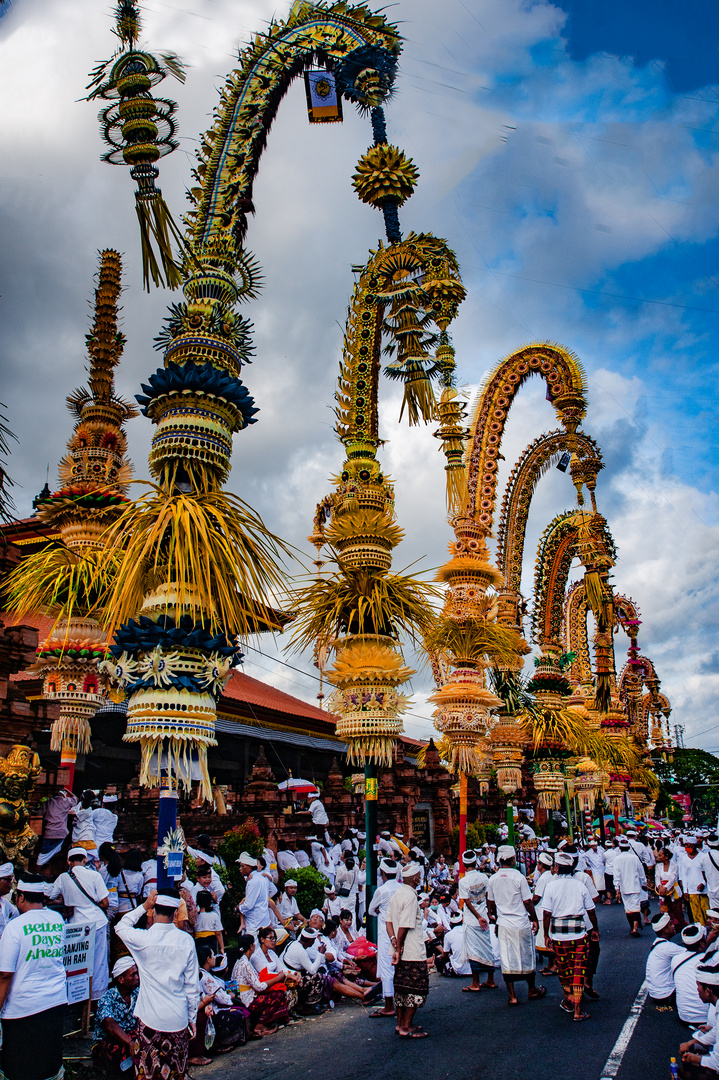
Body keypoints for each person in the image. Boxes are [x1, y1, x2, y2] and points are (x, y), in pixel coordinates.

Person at [116, 888, 200, 1080]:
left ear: (154, 910)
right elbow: (192, 986)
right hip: (177, 1018)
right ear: (176, 912)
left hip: (149, 1019)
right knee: (176, 1073)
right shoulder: (186, 941)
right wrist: (192, 1017)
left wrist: (144, 906)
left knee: (148, 1073)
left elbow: (120, 926)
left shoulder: (144, 939)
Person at [0, 874, 67, 1080]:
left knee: (20, 1070)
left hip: (23, 1009)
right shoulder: (58, 920)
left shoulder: (15, 927)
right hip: (55, 1003)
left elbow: (4, 975)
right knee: (48, 1066)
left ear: (20, 897)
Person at [542, 851, 598, 1022]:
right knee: (578, 970)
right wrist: (595, 929)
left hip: (558, 934)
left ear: (557, 868)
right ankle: (577, 1009)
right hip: (579, 933)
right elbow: (591, 911)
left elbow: (546, 913)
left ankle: (569, 1000)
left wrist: (546, 934)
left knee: (564, 969)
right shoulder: (579, 885)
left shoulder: (551, 886)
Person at [49, 846, 110, 1000]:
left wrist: (69, 900)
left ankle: (77, 995)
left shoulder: (63, 878)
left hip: (76, 926)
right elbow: (105, 903)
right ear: (84, 860)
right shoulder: (94, 875)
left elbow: (50, 897)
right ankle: (97, 996)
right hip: (97, 923)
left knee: (77, 962)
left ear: (69, 861)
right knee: (99, 960)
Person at [487, 845, 544, 1007]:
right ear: (512, 860)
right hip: (520, 922)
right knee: (527, 955)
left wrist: (494, 916)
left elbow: (490, 901)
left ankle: (512, 995)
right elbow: (527, 901)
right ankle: (531, 989)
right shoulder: (519, 878)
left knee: (507, 959)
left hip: (504, 924)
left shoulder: (493, 879)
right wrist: (534, 918)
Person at [386, 861, 430, 1038]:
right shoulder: (411, 897)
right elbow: (404, 925)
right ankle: (406, 1025)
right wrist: (400, 945)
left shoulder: (398, 894)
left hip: (400, 948)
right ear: (415, 878)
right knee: (415, 989)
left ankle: (400, 1024)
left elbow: (388, 921)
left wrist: (394, 941)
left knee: (401, 989)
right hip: (411, 950)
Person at [231, 933, 291, 1035]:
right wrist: (277, 979)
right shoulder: (245, 964)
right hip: (247, 999)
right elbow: (259, 987)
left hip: (243, 996)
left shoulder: (241, 961)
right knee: (278, 995)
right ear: (251, 946)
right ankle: (259, 1025)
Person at [92, 956, 139, 1076]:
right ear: (121, 979)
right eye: (132, 975)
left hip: (130, 1037)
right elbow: (110, 1026)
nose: (137, 978)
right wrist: (130, 1043)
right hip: (109, 1041)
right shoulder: (107, 999)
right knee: (116, 1051)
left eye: (136, 974)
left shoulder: (138, 994)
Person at [196, 944, 248, 1049]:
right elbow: (224, 1000)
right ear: (208, 960)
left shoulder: (204, 974)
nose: (215, 957)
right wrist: (231, 996)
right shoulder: (206, 978)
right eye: (213, 956)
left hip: (210, 1006)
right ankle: (223, 1043)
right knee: (238, 1011)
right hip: (213, 1009)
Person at [368, 858, 402, 1019]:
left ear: (382, 874)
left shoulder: (381, 891)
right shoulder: (402, 888)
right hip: (401, 932)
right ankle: (401, 1002)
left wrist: (382, 915)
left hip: (386, 934)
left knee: (387, 968)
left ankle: (389, 1006)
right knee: (400, 966)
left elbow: (371, 910)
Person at [458, 850, 496, 992]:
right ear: (475, 862)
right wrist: (488, 914)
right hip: (483, 916)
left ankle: (475, 983)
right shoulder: (484, 877)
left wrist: (479, 917)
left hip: (472, 920)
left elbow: (467, 902)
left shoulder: (463, 881)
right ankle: (490, 980)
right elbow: (488, 897)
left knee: (473, 951)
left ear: (464, 863)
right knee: (487, 948)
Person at [672, 925, 711, 1027]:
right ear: (702, 944)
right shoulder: (710, 960)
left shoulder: (675, 959)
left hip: (684, 1016)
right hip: (706, 1018)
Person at [237, 851, 281, 935]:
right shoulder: (262, 878)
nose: (240, 868)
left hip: (253, 923)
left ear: (249, 867)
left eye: (242, 866)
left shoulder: (252, 881)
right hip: (264, 920)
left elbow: (249, 905)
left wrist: (238, 908)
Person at [646, 912, 684, 1006]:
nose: (674, 926)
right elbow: (695, 953)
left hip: (656, 994)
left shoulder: (657, 943)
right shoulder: (668, 947)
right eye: (671, 925)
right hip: (666, 995)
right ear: (665, 930)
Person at [613, 837, 647, 936]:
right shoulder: (634, 858)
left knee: (628, 909)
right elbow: (641, 872)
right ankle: (635, 928)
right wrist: (644, 883)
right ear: (629, 848)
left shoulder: (617, 859)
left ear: (619, 848)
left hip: (624, 888)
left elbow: (616, 875)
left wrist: (617, 888)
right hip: (635, 886)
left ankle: (632, 927)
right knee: (635, 907)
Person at [532, 851, 557, 976]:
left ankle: (554, 965)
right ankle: (550, 964)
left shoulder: (543, 878)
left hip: (542, 912)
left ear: (541, 865)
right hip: (548, 911)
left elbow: (537, 897)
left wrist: (529, 906)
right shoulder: (551, 876)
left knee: (546, 940)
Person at [39, 787, 77, 861]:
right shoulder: (66, 801)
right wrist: (67, 790)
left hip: (49, 833)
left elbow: (39, 813)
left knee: (42, 855)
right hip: (61, 833)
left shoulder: (48, 802)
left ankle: (41, 868)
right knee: (56, 856)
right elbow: (75, 799)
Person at [656, 845, 687, 932]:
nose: (658, 857)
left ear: (666, 857)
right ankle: (668, 930)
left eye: (660, 855)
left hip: (674, 891)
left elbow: (673, 878)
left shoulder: (674, 865)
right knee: (665, 912)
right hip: (662, 892)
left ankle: (682, 928)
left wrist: (665, 887)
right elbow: (657, 877)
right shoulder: (658, 866)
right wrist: (660, 887)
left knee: (677, 911)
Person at [681, 839, 710, 927]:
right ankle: (700, 933)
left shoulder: (703, 856)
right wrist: (685, 891)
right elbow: (684, 875)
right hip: (692, 890)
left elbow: (708, 873)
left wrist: (703, 883)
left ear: (693, 846)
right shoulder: (684, 858)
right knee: (696, 915)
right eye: (685, 845)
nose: (686, 847)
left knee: (706, 913)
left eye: (687, 845)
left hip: (703, 890)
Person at [69, 789, 100, 863]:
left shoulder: (88, 811)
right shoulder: (79, 805)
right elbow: (75, 798)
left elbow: (72, 814)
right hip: (77, 837)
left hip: (86, 837)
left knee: (81, 861)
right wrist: (67, 791)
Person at [194, 890, 224, 954]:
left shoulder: (195, 916)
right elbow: (218, 933)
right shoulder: (214, 915)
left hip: (198, 941)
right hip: (211, 941)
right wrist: (221, 947)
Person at [118, 849, 145, 914]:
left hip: (119, 905)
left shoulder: (119, 874)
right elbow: (138, 892)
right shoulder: (139, 876)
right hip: (131, 906)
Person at [0, 863, 18, 939]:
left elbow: (17, 917)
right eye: (8, 879)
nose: (11, 883)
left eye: (12, 879)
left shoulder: (5, 902)